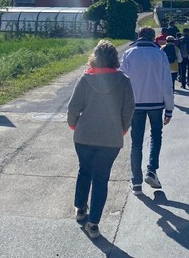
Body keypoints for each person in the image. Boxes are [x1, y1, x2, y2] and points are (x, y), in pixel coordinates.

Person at [67, 40, 135, 240]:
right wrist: (122, 129)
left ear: (95, 57)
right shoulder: (123, 81)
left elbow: (73, 108)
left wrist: (74, 125)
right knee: (101, 179)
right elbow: (128, 110)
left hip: (84, 136)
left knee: (84, 170)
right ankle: (94, 223)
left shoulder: (85, 79)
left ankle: (80, 208)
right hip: (110, 139)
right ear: (115, 58)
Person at [120, 27, 174, 195]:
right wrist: (169, 108)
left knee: (136, 142)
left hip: (136, 104)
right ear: (153, 38)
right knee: (156, 136)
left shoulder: (129, 54)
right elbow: (167, 83)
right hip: (156, 103)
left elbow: (122, 81)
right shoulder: (160, 54)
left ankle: (136, 182)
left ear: (139, 36)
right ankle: (151, 170)